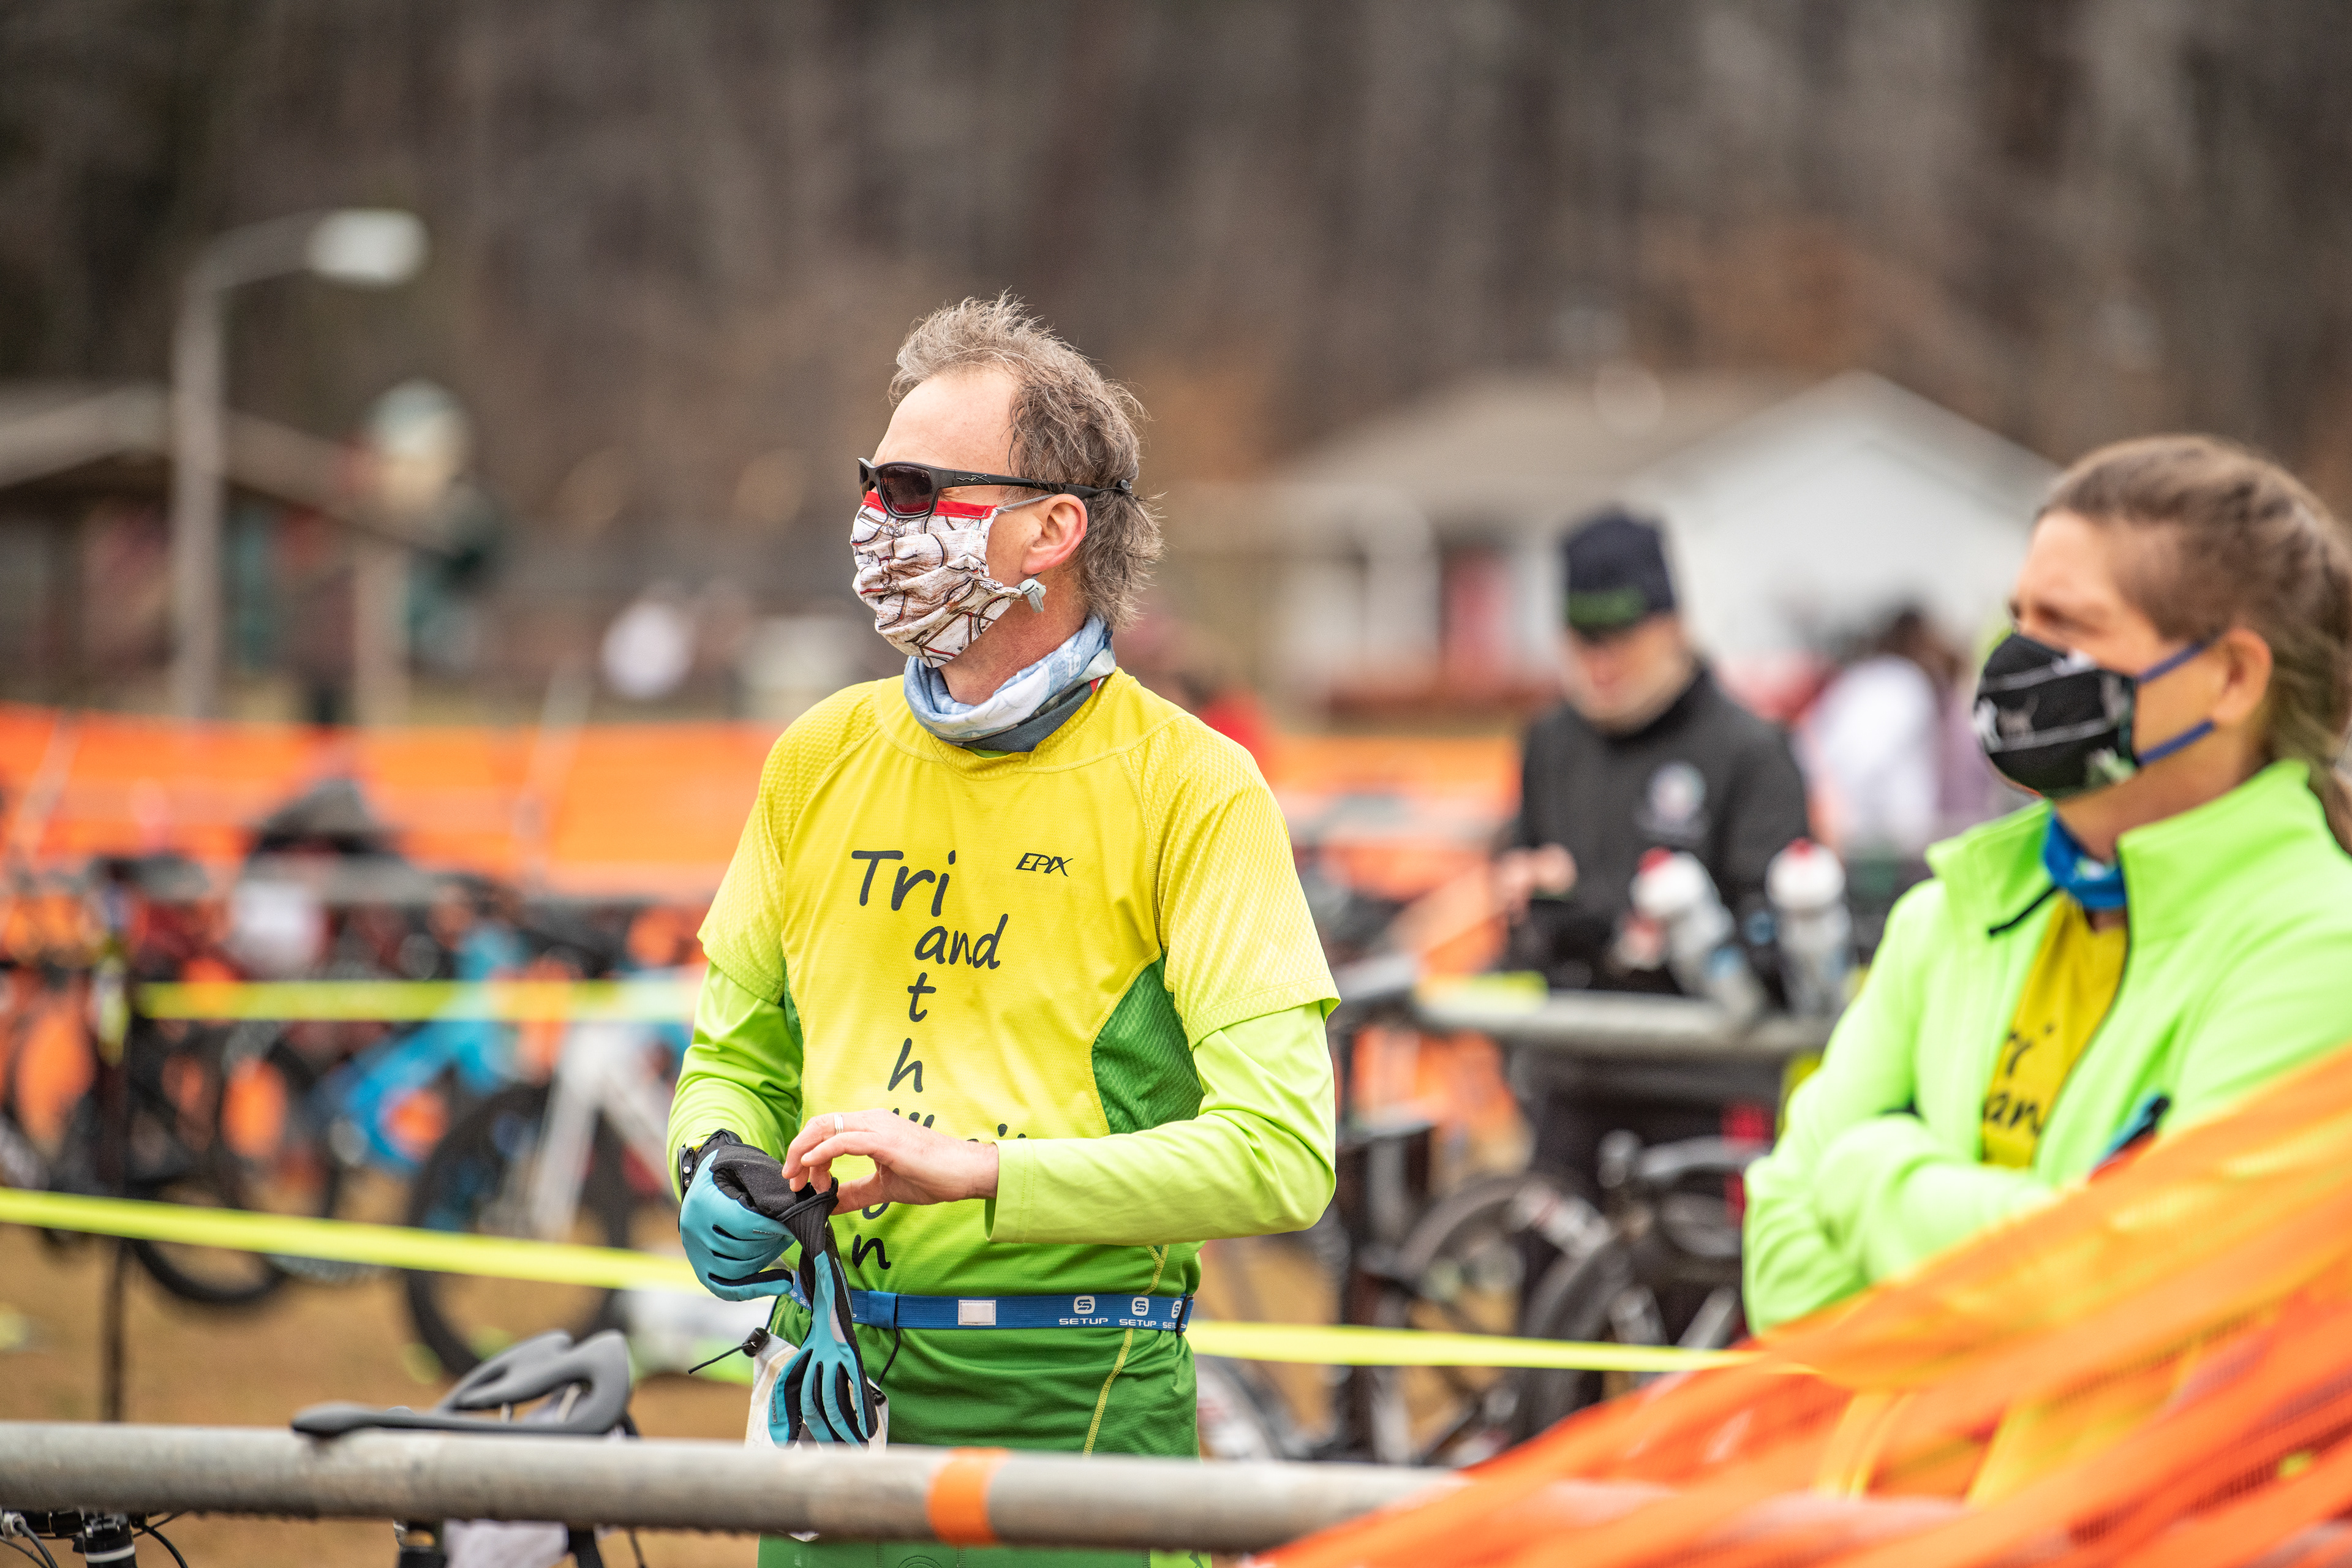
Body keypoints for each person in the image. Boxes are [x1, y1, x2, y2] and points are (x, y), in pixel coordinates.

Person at [667, 297, 1337, 1568]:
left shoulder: (1196, 786)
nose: (879, 522)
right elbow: (733, 1056)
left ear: (1053, 527)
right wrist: (710, 1161)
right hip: (828, 1386)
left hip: (1069, 1396)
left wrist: (979, 1170)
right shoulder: (816, 756)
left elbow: (1282, 1154)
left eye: (919, 488)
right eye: (874, 484)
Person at [1744, 435, 2352, 1333]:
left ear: (2231, 677)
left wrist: (1866, 1174)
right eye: (2019, 617)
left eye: (2068, 625)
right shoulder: (1950, 913)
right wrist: (2035, 1252)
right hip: (1899, 1477)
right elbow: (1784, 1283)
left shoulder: (2319, 946)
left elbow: (2146, 1293)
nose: (2017, 658)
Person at [1493, 508, 1814, 1189]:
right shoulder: (1551, 743)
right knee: (1546, 1281)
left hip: (1699, 1088)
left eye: (1620, 638)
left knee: (1695, 1291)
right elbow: (1524, 914)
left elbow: (1773, 949)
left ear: (1674, 627)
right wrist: (1537, 909)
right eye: (1582, 640)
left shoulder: (1751, 752)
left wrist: (1610, 923)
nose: (1600, 662)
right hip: (1572, 1079)